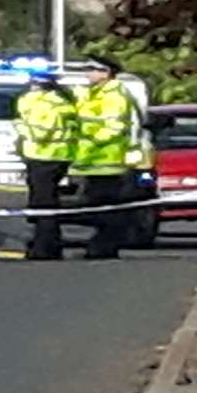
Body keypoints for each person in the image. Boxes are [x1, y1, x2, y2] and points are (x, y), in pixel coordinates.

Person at [71, 56, 140, 260]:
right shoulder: (93, 94)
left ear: (106, 73)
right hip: (92, 162)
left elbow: (115, 127)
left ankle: (105, 247)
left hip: (107, 160)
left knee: (108, 208)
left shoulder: (115, 96)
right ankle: (101, 246)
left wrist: (90, 139)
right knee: (97, 207)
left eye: (92, 69)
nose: (87, 73)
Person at [13, 71, 79, 260]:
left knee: (43, 205)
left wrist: (20, 127)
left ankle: (45, 247)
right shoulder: (64, 102)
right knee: (48, 202)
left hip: (42, 156)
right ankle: (49, 244)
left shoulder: (42, 105)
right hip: (60, 157)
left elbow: (41, 133)